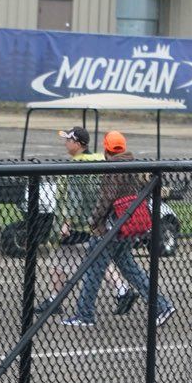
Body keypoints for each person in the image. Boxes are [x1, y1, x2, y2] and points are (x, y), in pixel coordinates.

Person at [62, 131, 175, 329]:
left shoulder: (112, 168)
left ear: (106, 148)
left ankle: (84, 314)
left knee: (94, 272)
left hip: (109, 230)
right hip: (127, 227)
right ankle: (162, 305)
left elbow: (107, 199)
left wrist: (93, 219)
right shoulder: (133, 165)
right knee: (131, 270)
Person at [38, 126, 134, 315]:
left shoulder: (77, 165)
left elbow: (73, 198)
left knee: (83, 261)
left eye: (68, 140)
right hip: (98, 220)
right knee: (68, 261)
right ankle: (55, 299)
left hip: (81, 223)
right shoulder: (100, 159)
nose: (65, 143)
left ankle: (121, 289)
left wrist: (67, 221)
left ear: (77, 144)